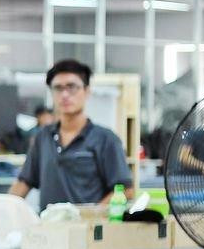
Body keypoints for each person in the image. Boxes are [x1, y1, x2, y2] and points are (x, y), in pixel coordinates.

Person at [9, 59, 130, 206]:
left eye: (72, 87)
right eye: (58, 88)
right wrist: (2, 209)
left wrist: (92, 217)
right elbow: (24, 182)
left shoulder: (105, 139)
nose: (65, 94)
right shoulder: (43, 137)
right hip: (48, 226)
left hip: (88, 227)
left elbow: (125, 190)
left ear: (86, 91)